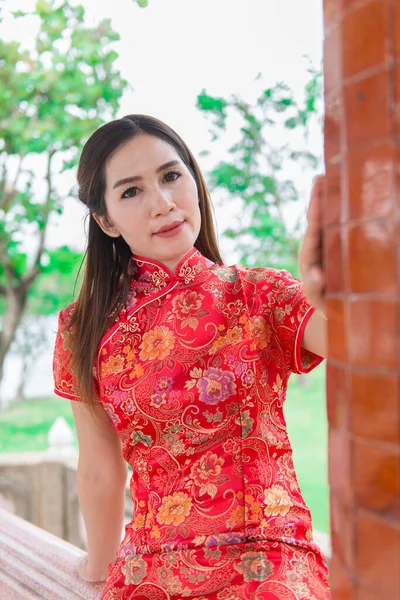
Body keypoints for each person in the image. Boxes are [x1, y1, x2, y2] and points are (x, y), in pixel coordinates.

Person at [53, 114, 330, 600]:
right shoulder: (84, 329)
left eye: (170, 176)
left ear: (194, 183)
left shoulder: (260, 295)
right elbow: (99, 468)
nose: (162, 203)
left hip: (267, 562)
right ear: (106, 221)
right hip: (148, 573)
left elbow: (366, 343)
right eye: (131, 191)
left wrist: (334, 288)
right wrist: (98, 567)